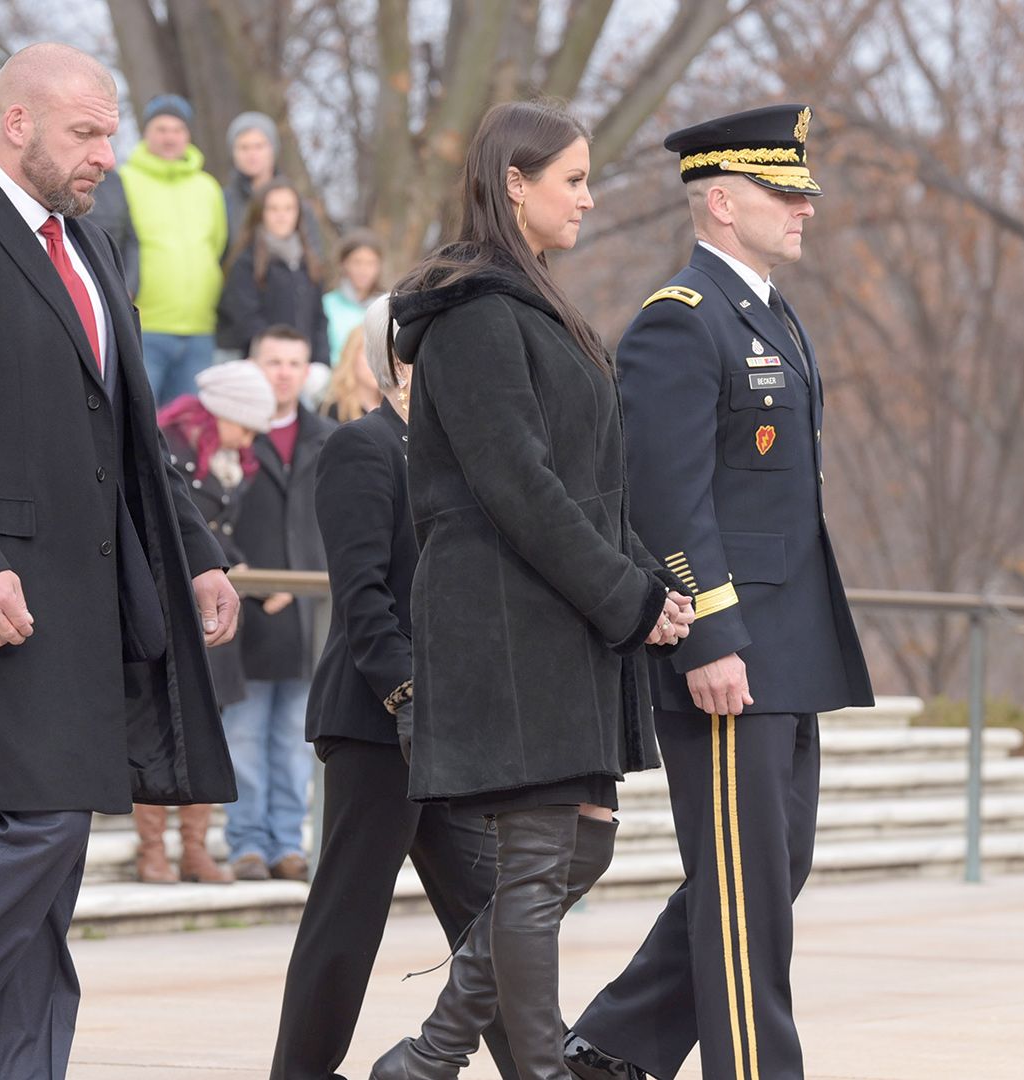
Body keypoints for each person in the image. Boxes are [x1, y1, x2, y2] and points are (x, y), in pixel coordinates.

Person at [0, 43, 240, 1080]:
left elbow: (135, 432)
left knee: (52, 845)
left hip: (96, 594)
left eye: (109, 133)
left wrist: (195, 554)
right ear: (17, 122)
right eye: (86, 131)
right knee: (47, 818)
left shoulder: (98, 248)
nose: (105, 152)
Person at [368, 99, 694, 1080]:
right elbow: (520, 487)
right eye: (575, 180)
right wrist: (625, 597)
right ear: (516, 183)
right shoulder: (469, 314)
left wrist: (650, 585)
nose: (590, 198)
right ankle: (538, 1071)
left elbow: (595, 479)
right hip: (509, 629)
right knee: (541, 865)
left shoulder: (532, 303)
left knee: (572, 856)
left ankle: (426, 1059)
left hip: (562, 627)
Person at [565, 104, 874, 1080]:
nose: (804, 210)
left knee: (772, 870)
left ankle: (610, 1048)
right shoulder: (678, 322)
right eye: (786, 194)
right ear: (724, 201)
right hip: (731, 645)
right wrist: (707, 636)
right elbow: (666, 501)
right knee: (744, 894)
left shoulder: (769, 312)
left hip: (787, 641)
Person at [270, 296, 516, 1080]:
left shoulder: (456, 453)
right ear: (402, 361)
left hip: (452, 729)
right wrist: (406, 696)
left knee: (494, 921)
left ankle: (538, 1067)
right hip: (381, 726)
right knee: (346, 923)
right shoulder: (362, 448)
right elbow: (363, 595)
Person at [131, 359, 279, 886]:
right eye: (246, 423)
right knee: (157, 729)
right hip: (165, 602)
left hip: (210, 605)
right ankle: (152, 850)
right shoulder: (173, 444)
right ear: (221, 413)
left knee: (205, 727)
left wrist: (238, 567)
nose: (253, 435)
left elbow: (214, 528)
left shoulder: (229, 457)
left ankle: (194, 848)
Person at [221, 324, 333, 882]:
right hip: (245, 611)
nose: (284, 372)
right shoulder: (233, 435)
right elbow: (211, 518)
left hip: (311, 612)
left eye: (294, 362)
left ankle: (288, 842)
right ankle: (245, 842)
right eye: (273, 361)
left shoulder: (328, 437)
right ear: (253, 365)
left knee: (294, 737)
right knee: (242, 734)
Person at [121, 92, 228, 403]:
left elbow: (217, 246)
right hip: (144, 328)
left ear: (188, 135)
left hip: (199, 332)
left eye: (177, 130)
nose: (170, 137)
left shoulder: (207, 187)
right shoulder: (124, 180)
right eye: (161, 129)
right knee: (140, 422)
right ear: (146, 133)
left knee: (188, 431)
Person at [217, 178, 332, 366]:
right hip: (261, 365)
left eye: (289, 208)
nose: (282, 216)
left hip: (305, 366)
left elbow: (319, 318)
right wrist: (279, 358)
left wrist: (321, 362)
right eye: (273, 209)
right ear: (260, 213)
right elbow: (246, 320)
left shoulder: (308, 262)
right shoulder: (245, 262)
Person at [223, 110, 321, 252]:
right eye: (244, 147)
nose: (252, 154)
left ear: (273, 149)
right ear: (234, 153)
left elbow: (314, 254)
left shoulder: (294, 202)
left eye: (259, 146)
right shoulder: (223, 203)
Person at [323, 229, 385, 369]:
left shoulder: (386, 306)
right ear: (344, 264)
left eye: (370, 263)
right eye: (357, 262)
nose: (363, 270)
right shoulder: (327, 304)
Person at [82, 166, 140, 297]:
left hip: (115, 286)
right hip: (84, 288)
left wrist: (129, 287)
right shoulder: (64, 182)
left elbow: (130, 238)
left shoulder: (114, 180)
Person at [319, 321, 381, 423]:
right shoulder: (331, 410)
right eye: (370, 355)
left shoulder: (398, 406)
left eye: (382, 356)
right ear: (351, 356)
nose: (377, 363)